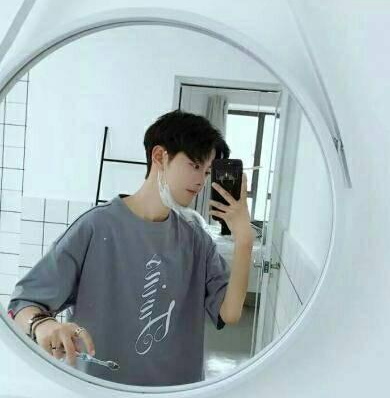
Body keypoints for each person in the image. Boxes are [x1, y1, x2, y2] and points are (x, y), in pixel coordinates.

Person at [7, 110, 254, 386]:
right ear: (159, 156)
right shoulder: (97, 227)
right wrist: (44, 325)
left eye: (207, 172)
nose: (201, 181)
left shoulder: (196, 237)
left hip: (176, 391)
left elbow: (229, 312)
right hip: (101, 388)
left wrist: (244, 239)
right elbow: (23, 304)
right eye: (194, 165)